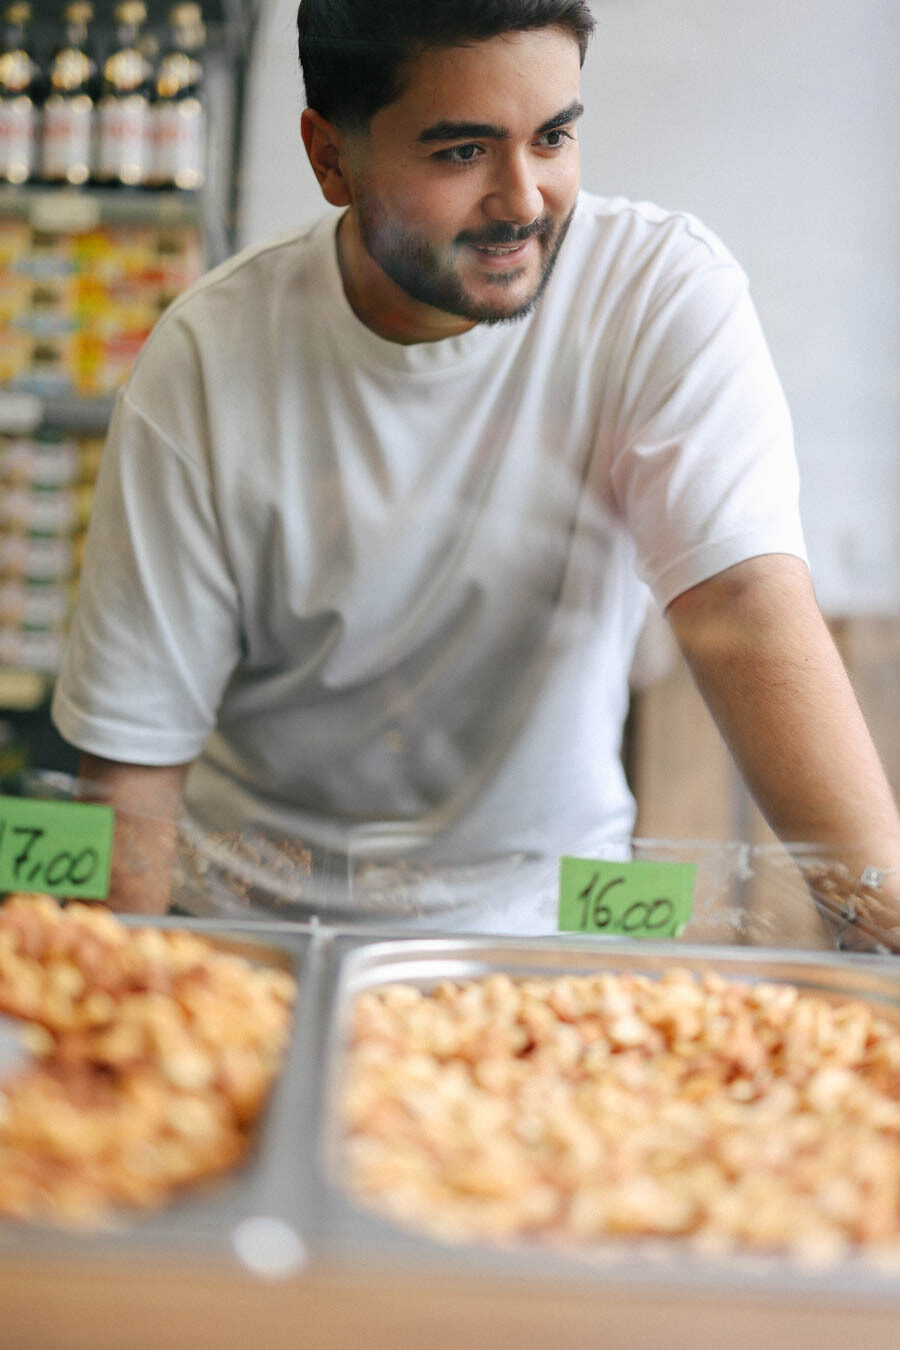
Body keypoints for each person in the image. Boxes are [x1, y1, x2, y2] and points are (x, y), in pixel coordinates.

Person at [51, 0, 900, 940]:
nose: (524, 200)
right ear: (330, 157)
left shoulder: (658, 293)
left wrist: (884, 918)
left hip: (562, 930)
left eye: (554, 137)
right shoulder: (206, 359)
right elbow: (130, 761)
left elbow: (742, 605)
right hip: (255, 935)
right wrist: (90, 1012)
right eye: (462, 152)